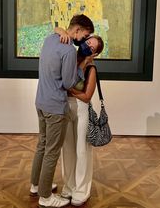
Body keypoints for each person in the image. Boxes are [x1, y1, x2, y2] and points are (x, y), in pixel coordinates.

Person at [30, 14, 94, 208]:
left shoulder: (50, 39)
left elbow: (56, 32)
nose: (84, 39)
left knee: (42, 145)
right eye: (86, 34)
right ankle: (45, 196)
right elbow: (68, 83)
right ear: (78, 30)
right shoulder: (68, 50)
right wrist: (83, 65)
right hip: (55, 107)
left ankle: (35, 185)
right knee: (52, 151)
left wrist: (58, 29)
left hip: (40, 101)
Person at [57, 32, 104, 206]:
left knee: (82, 150)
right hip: (65, 108)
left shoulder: (91, 69)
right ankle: (68, 187)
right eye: (88, 42)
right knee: (67, 149)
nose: (88, 46)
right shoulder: (70, 59)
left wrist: (70, 90)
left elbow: (86, 96)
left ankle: (82, 190)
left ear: (95, 54)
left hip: (82, 110)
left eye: (92, 47)